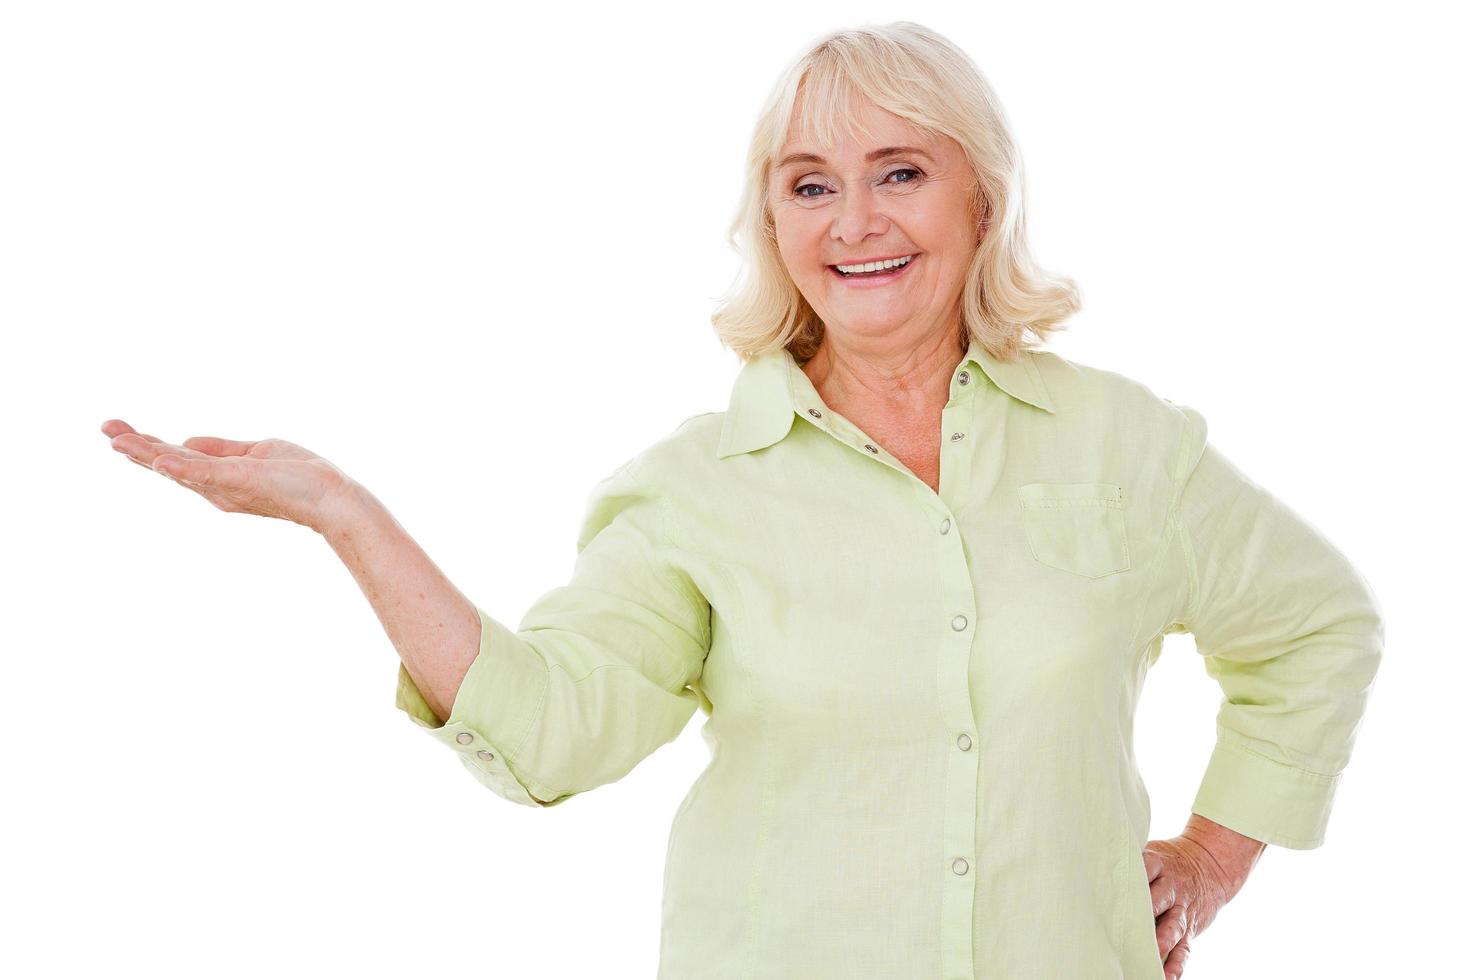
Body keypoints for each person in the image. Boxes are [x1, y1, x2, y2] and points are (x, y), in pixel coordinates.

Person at [101, 21, 1384, 980]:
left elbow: (1318, 624)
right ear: (772, 223)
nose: (855, 219)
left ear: (979, 196)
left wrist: (1217, 854)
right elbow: (549, 730)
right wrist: (346, 513)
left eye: (900, 171)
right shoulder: (696, 490)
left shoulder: (1121, 442)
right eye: (809, 182)